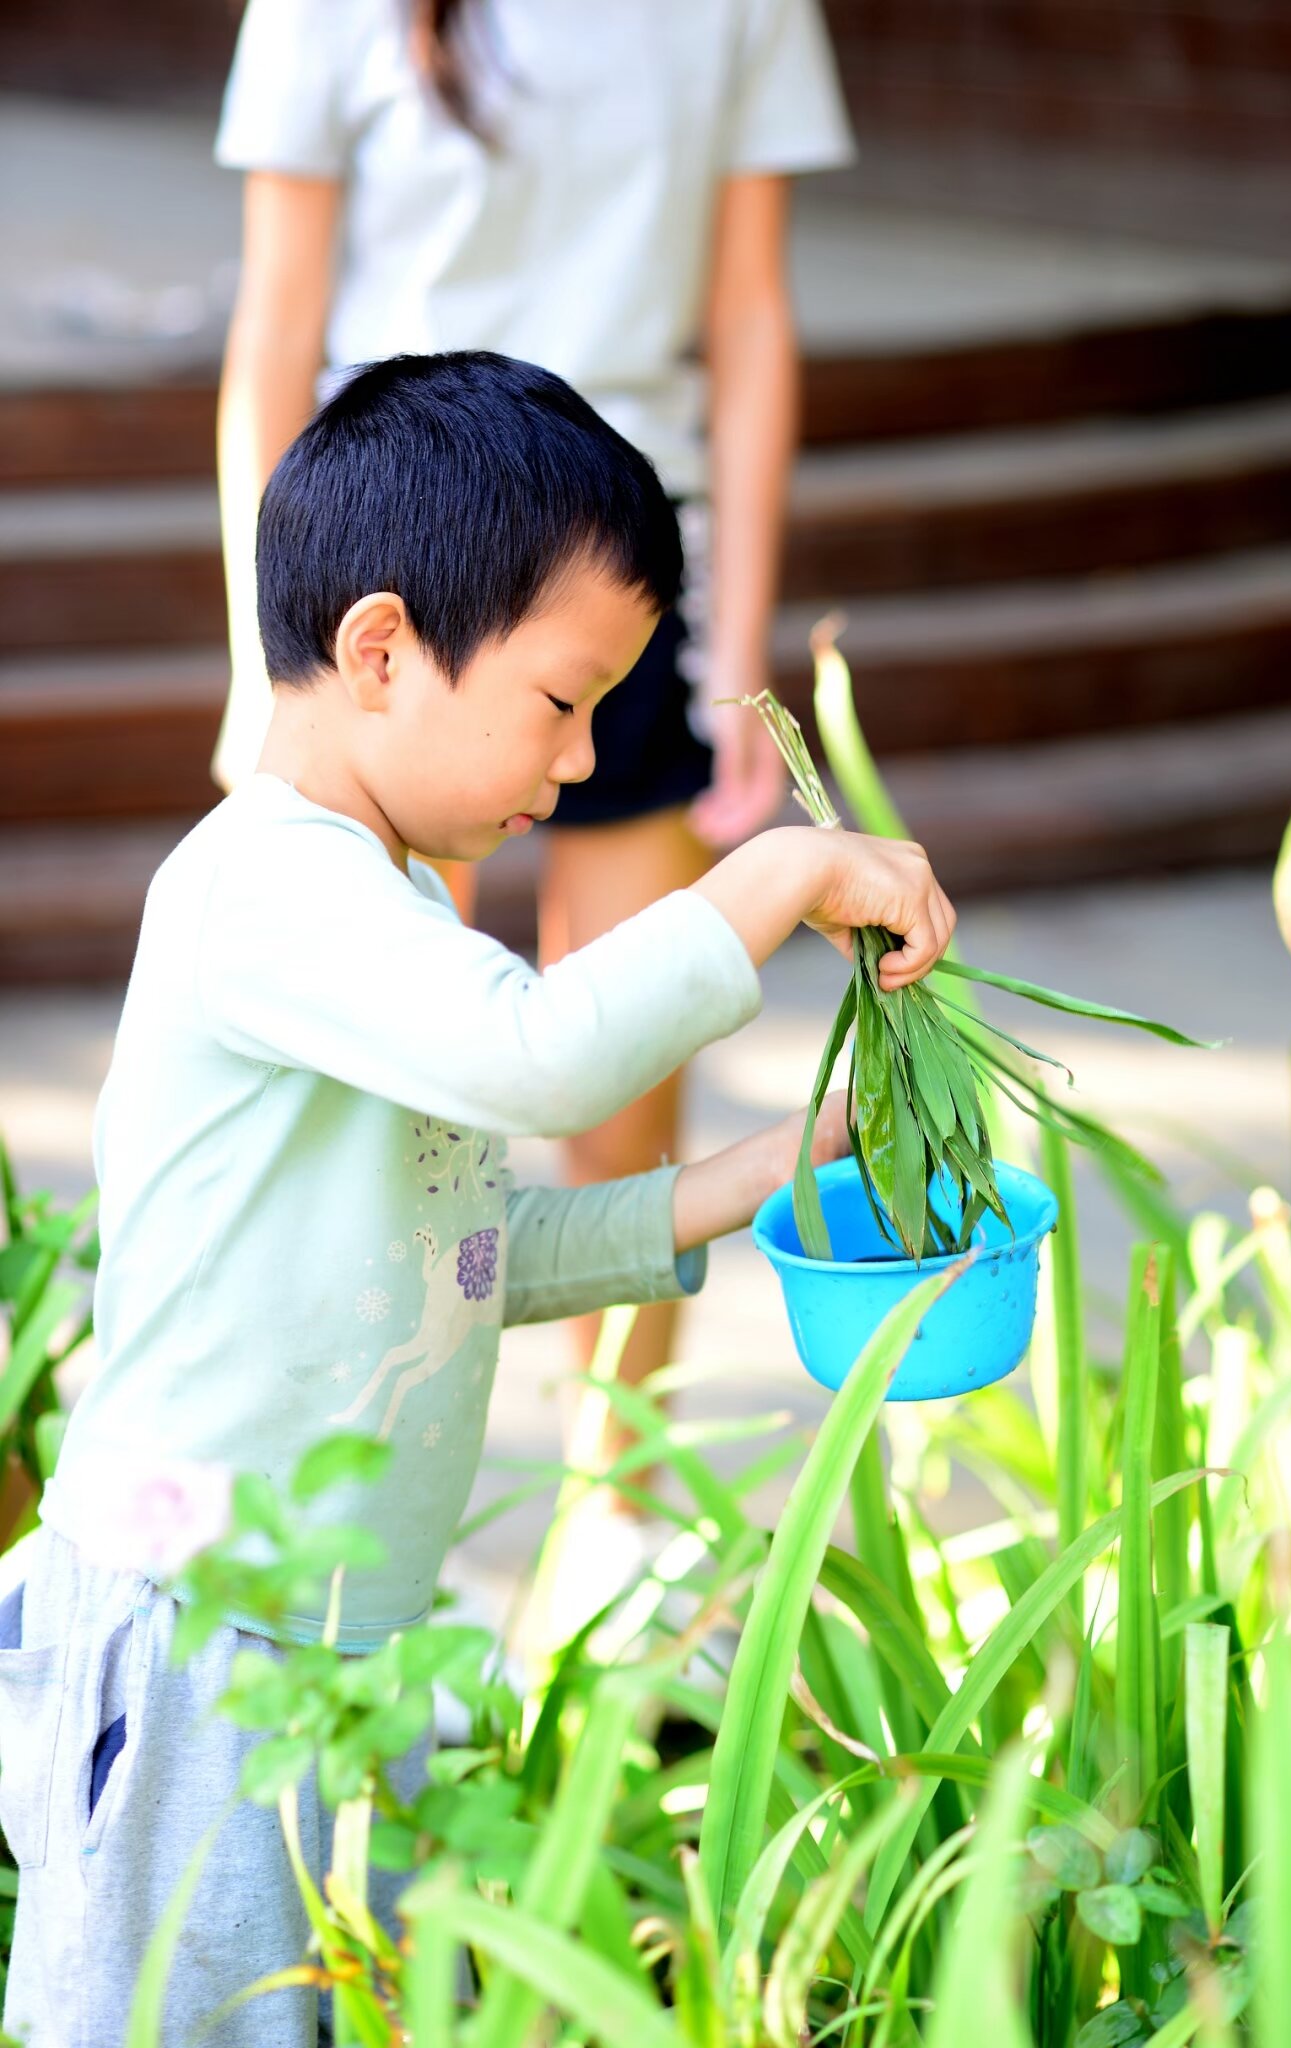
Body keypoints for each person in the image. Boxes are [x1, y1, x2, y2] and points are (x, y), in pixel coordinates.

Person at [0, 353, 954, 2048]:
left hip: (346, 1637)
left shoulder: (389, 908)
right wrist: (781, 870)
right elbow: (545, 1061)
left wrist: (762, 1172)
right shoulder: (265, 891)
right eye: (562, 700)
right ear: (382, 651)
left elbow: (449, 1259)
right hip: (199, 1642)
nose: (581, 761)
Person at [211, 0, 855, 1520]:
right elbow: (277, 329)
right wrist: (264, 666)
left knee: (628, 1081)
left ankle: (618, 1519)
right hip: (411, 587)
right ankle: (325, 1509)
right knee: (380, 1105)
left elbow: (750, 317)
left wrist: (735, 653)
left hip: (620, 580)